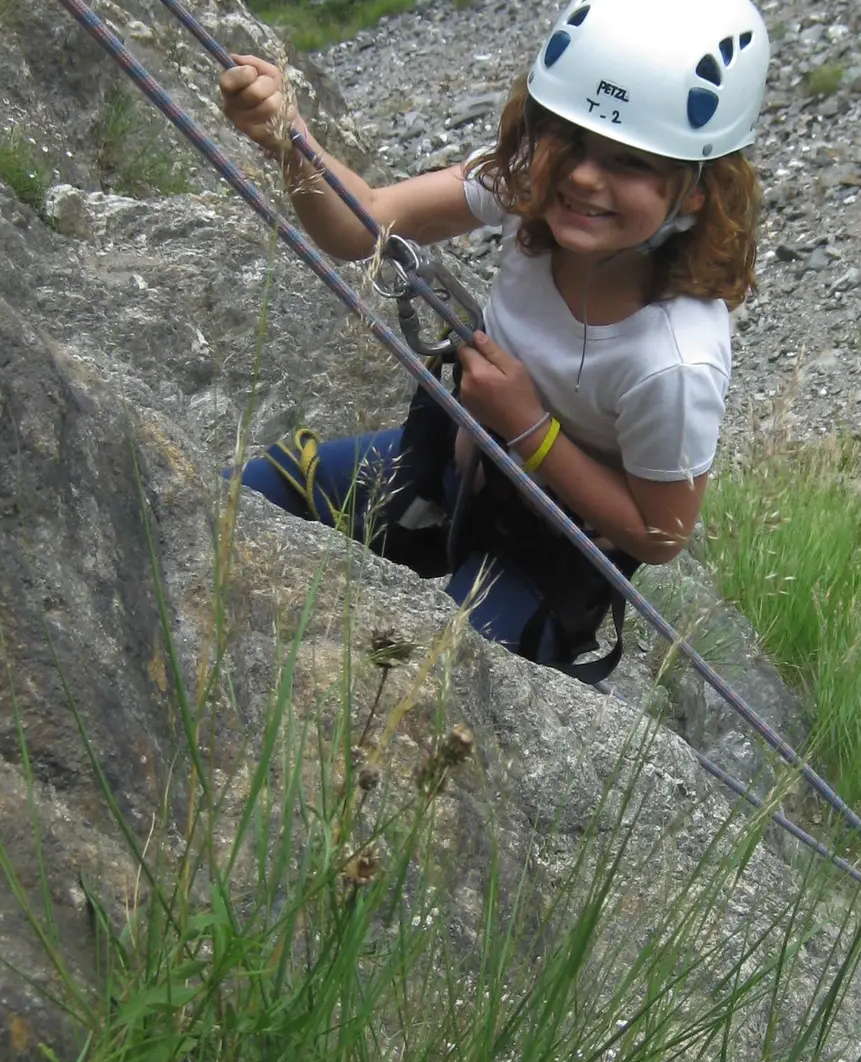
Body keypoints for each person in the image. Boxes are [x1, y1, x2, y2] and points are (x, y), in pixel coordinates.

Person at [219, 0, 770, 681]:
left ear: (694, 192)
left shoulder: (673, 358)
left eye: (630, 162)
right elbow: (364, 226)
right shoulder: (524, 187)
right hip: (454, 468)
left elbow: (660, 533)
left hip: (543, 550)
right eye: (568, 138)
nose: (582, 176)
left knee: (436, 677)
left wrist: (527, 427)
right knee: (253, 489)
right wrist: (288, 139)